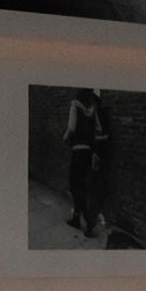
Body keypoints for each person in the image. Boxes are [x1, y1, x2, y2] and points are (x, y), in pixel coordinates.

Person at [62, 89, 108, 237]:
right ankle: (76, 219)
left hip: (77, 151)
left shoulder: (75, 105)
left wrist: (65, 137)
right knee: (80, 185)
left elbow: (71, 127)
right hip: (88, 152)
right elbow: (98, 130)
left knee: (74, 186)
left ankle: (88, 219)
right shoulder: (93, 110)